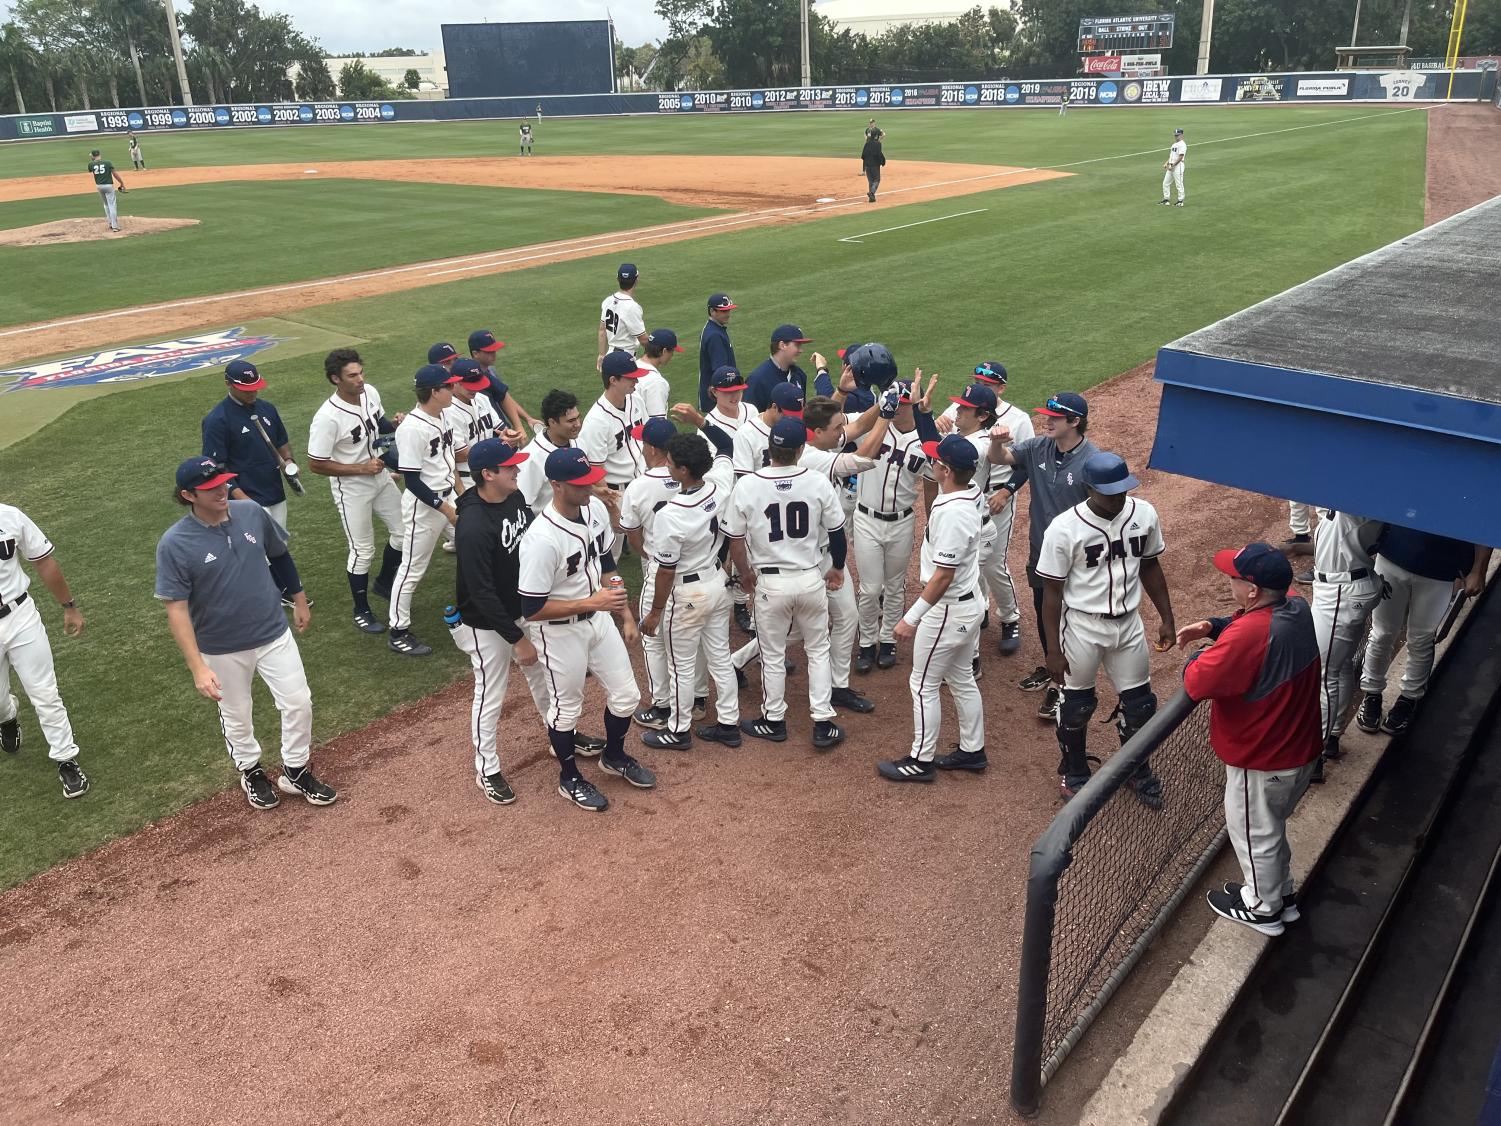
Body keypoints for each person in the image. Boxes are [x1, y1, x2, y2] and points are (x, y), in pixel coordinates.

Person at [156, 457, 333, 811]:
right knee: (238, 714)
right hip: (221, 648)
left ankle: (295, 770)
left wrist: (299, 598)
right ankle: (251, 771)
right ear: (188, 495)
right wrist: (197, 667)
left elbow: (279, 555)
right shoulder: (174, 544)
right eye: (211, 488)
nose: (222, 490)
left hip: (273, 632)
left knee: (298, 701)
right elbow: (175, 608)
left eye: (223, 482)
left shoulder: (251, 512)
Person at [1180, 543, 1322, 936]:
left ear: (1253, 591)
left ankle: (1263, 909)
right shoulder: (1296, 608)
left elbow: (1196, 681)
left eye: (1235, 578)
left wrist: (1199, 654)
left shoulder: (1253, 635)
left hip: (1265, 759)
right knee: (1270, 829)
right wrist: (1214, 625)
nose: (1229, 581)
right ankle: (1283, 897)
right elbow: (1252, 624)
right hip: (1299, 751)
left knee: (1255, 833)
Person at [518, 447, 655, 813]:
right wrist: (591, 603)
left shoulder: (593, 508)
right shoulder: (541, 540)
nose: (590, 487)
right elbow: (531, 608)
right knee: (566, 710)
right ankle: (569, 778)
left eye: (589, 480)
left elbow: (607, 563)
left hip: (598, 621)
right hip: (558, 631)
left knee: (626, 695)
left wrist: (623, 613)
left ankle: (613, 756)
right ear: (556, 485)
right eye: (580, 484)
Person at [1037, 452, 1175, 804]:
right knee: (1076, 706)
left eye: (1122, 490)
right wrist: (1052, 650)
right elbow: (1051, 593)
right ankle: (1075, 771)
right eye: (1109, 492)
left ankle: (1135, 769)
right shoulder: (1064, 529)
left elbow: (1151, 567)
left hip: (1128, 625)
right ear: (1088, 488)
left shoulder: (1143, 513)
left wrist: (1166, 617)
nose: (1118, 498)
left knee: (1141, 705)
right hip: (1082, 626)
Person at [724, 417, 848, 750]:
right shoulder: (818, 482)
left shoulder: (748, 485)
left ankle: (773, 720)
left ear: (770, 449)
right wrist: (837, 567)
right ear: (800, 449)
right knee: (819, 650)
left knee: (773, 654)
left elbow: (735, 538)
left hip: (771, 584)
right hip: (810, 579)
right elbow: (837, 532)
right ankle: (822, 722)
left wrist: (744, 572)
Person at [879, 433, 987, 782]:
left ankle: (920, 761)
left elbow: (943, 577)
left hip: (948, 610)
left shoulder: (954, 513)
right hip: (966, 606)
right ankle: (973, 751)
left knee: (923, 684)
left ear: (945, 470)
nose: (932, 463)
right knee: (961, 679)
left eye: (936, 461)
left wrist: (911, 618)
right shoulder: (970, 493)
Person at [989, 392, 1099, 721]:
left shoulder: (1092, 461)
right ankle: (1056, 674)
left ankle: (1073, 684)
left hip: (1076, 560)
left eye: (1055, 417)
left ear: (1075, 422)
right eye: (1046, 415)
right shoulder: (1038, 447)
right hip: (1041, 551)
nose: (1046, 421)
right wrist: (996, 442)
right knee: (1044, 613)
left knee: (1074, 619)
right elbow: (1001, 459)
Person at [639, 429, 741, 750]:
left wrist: (655, 612)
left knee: (681, 667)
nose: (667, 466)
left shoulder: (671, 515)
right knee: (720, 659)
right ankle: (728, 724)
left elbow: (666, 570)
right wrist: (701, 421)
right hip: (716, 584)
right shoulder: (720, 488)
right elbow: (726, 445)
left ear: (684, 470)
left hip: (687, 595)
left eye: (671, 463)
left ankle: (679, 731)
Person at [451, 439, 536, 804]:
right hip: (484, 625)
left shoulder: (513, 497)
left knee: (545, 678)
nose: (517, 470)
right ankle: (487, 769)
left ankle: (561, 734)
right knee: (490, 696)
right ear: (487, 474)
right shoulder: (471, 526)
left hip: (520, 610)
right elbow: (481, 593)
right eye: (509, 467)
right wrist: (517, 638)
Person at [306, 348, 405, 633]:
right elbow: (316, 464)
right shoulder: (327, 418)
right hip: (352, 488)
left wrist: (395, 425)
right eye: (352, 376)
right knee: (362, 550)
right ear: (335, 379)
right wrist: (361, 469)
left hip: (380, 476)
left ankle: (384, 582)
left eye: (361, 372)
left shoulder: (370, 392)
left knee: (403, 531)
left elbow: (378, 426)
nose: (360, 379)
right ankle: (361, 610)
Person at [1356, 527, 1489, 737]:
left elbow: (1485, 520)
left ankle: (1408, 698)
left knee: (1422, 638)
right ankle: (1372, 693)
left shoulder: (1476, 491)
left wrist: (1478, 570)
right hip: (1394, 555)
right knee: (1382, 632)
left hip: (1442, 568)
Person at [940, 372, 1033, 659]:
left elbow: (1027, 463)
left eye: (988, 384)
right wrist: (932, 420)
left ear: (1001, 387)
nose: (982, 387)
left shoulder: (1019, 418)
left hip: (997, 498)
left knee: (993, 564)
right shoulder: (965, 408)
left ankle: (1009, 618)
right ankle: (979, 611)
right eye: (978, 382)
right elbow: (942, 437)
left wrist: (1006, 492)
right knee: (971, 563)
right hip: (968, 495)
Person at [0, 502, 90, 799]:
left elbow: (43, 560)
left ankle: (66, 759)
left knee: (45, 692)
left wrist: (69, 607)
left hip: (19, 615)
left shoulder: (9, 516)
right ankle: (7, 716)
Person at [848, 346, 928, 674]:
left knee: (895, 585)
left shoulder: (925, 442)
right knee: (869, 588)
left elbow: (942, 474)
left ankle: (888, 640)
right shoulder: (874, 426)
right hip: (866, 518)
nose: (899, 408)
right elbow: (845, 425)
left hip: (901, 522)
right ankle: (867, 642)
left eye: (904, 403)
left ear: (914, 405)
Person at [202, 360, 304, 603]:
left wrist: (288, 461)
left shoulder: (268, 408)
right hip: (245, 495)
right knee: (254, 547)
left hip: (273, 489)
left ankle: (278, 589)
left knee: (278, 542)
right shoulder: (217, 420)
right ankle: (276, 591)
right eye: (246, 388)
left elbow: (281, 439)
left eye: (255, 387)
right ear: (228, 383)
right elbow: (216, 467)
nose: (252, 392)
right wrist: (243, 499)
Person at [388, 364, 468, 657]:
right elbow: (412, 481)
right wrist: (446, 509)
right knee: (412, 569)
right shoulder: (412, 429)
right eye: (448, 386)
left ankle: (474, 607)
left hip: (449, 499)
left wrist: (462, 497)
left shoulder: (443, 415)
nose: (453, 389)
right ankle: (398, 630)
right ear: (434, 392)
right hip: (424, 507)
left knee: (475, 547)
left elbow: (449, 462)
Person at [618, 418, 685, 733]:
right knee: (689, 639)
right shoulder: (693, 475)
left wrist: (650, 554)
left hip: (660, 569)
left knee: (654, 639)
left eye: (644, 442)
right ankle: (696, 699)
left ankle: (662, 705)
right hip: (695, 566)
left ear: (653, 449)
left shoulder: (639, 486)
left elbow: (632, 536)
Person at [1308, 508, 1384, 770]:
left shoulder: (1355, 506)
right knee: (1338, 667)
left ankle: (1314, 755)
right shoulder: (1353, 503)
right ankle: (1332, 736)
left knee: (1323, 673)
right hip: (1347, 582)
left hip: (1341, 591)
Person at [579, 351, 648, 557]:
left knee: (651, 547)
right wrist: (613, 510)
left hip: (641, 484)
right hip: (615, 492)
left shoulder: (635, 400)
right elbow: (596, 469)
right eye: (630, 377)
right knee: (610, 554)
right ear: (613, 380)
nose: (636, 380)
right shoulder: (596, 421)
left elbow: (644, 439)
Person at [517, 389, 582, 516]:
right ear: (552, 422)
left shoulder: (577, 441)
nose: (578, 424)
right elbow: (522, 505)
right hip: (548, 528)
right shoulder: (532, 458)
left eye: (577, 418)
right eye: (571, 421)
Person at [744, 325, 834, 411]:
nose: (800, 350)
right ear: (782, 345)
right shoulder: (757, 380)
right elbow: (750, 418)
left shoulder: (799, 375)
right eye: (797, 345)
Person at [466, 329, 535, 433]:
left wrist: (528, 418)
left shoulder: (491, 371)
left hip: (503, 426)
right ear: (475, 354)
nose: (494, 354)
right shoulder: (470, 380)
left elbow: (504, 397)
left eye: (494, 350)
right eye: (489, 351)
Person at [598, 263, 648, 371]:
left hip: (609, 356)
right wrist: (655, 355)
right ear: (636, 280)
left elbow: (602, 330)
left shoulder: (608, 301)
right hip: (625, 359)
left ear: (617, 279)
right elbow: (643, 339)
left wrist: (601, 354)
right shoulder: (632, 307)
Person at [697, 294, 738, 411]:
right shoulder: (715, 335)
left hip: (715, 395)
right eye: (723, 311)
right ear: (712, 311)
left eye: (728, 310)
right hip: (718, 397)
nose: (728, 314)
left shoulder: (713, 328)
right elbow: (721, 371)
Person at [635, 329, 682, 421]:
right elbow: (657, 423)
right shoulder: (656, 383)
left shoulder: (633, 366)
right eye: (672, 351)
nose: (672, 355)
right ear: (664, 351)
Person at [86, 148, 125, 232]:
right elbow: (115, 174)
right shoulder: (108, 163)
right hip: (108, 186)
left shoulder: (91, 164)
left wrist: (92, 160)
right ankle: (115, 226)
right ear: (99, 154)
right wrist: (121, 183)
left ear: (93, 156)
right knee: (112, 205)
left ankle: (110, 223)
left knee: (106, 204)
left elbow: (91, 168)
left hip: (99, 186)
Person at [1161, 127, 1186, 207]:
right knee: (1165, 183)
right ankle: (1166, 199)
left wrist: (1173, 165)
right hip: (1171, 166)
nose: (1176, 137)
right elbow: (1172, 156)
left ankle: (1180, 201)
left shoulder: (1182, 144)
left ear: (1182, 135)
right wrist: (1166, 163)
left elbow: (1180, 157)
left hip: (1178, 166)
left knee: (1179, 184)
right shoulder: (1174, 145)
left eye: (1177, 135)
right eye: (1175, 135)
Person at [861, 133, 886, 203]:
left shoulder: (867, 143)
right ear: (876, 136)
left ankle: (871, 198)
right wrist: (882, 161)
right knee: (877, 180)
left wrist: (866, 164)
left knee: (870, 181)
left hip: (867, 165)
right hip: (875, 165)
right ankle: (872, 192)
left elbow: (863, 155)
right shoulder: (878, 144)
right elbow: (879, 154)